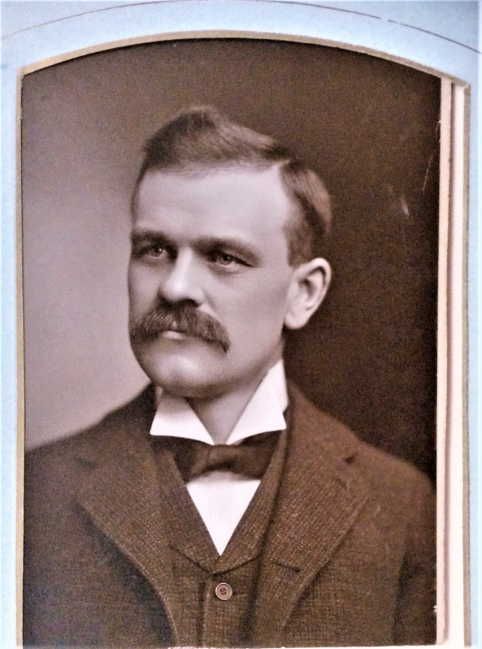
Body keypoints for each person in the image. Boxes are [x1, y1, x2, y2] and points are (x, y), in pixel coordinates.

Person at [23, 106, 435, 647]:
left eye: (223, 257)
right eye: (154, 250)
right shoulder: (32, 494)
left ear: (304, 293)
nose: (175, 287)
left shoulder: (405, 508)